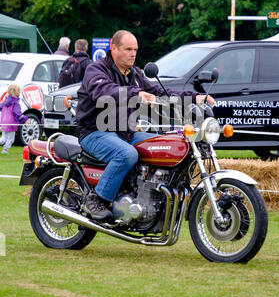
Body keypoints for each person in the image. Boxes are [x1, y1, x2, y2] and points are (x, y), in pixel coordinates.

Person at [76, 30, 214, 221]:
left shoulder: (135, 74)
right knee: (126, 154)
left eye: (135, 50)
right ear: (113, 48)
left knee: (167, 144)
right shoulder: (96, 70)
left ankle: (150, 197)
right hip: (94, 132)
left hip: (125, 133)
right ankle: (96, 200)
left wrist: (195, 97)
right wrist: (136, 94)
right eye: (128, 49)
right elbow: (103, 91)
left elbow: (161, 93)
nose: (133, 53)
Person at [0, 84, 29, 154]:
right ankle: (5, 150)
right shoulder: (15, 103)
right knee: (10, 139)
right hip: (11, 123)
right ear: (16, 92)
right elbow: (17, 113)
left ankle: (5, 150)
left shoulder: (4, 102)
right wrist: (25, 119)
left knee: (4, 138)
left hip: (3, 122)